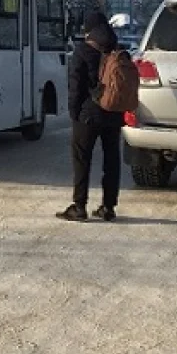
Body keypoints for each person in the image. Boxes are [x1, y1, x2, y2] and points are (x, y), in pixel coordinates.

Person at [57, 11, 124, 222]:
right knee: (111, 160)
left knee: (81, 159)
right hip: (113, 112)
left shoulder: (83, 51)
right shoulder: (117, 50)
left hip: (88, 114)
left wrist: (74, 112)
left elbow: (76, 86)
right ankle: (108, 206)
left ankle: (79, 206)